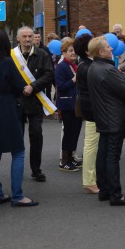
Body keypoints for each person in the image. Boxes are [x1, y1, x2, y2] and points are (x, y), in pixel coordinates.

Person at [0, 31, 38, 207]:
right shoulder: (8, 63)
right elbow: (19, 86)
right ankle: (17, 195)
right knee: (18, 151)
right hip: (8, 108)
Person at [87, 35, 125, 206]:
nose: (111, 48)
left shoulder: (93, 67)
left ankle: (105, 190)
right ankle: (116, 194)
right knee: (112, 156)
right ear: (101, 51)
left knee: (103, 154)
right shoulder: (108, 70)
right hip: (113, 117)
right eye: (108, 47)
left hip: (103, 116)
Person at [13, 26, 54, 183]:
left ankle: (36, 169)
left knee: (36, 136)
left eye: (30, 36)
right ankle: (18, 168)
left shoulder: (42, 54)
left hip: (35, 101)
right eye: (24, 36)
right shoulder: (12, 56)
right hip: (17, 101)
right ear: (18, 38)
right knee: (17, 137)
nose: (28, 39)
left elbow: (49, 74)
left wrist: (34, 86)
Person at [74, 31, 100, 194]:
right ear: (87, 50)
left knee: (92, 143)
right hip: (93, 109)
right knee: (91, 144)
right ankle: (89, 181)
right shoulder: (87, 66)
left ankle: (92, 179)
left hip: (92, 108)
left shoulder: (87, 64)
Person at [55, 38, 83, 172]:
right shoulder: (61, 66)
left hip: (75, 104)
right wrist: (74, 79)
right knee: (68, 133)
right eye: (71, 51)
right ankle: (64, 161)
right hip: (67, 104)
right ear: (64, 52)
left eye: (74, 50)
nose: (74, 53)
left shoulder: (73, 64)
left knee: (75, 131)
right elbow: (60, 86)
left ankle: (71, 158)